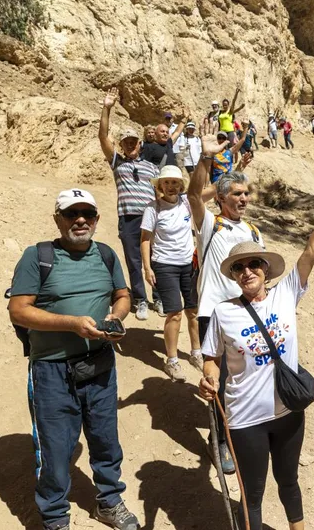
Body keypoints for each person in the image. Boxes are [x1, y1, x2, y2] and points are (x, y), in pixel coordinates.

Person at [199, 174, 314, 530]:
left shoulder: (286, 293)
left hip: (288, 410)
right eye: (239, 268)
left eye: (254, 264)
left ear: (265, 269)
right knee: (252, 493)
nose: (248, 271)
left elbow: (311, 251)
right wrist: (210, 377)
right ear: (233, 276)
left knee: (290, 482)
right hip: (245, 416)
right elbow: (211, 358)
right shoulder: (223, 312)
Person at [8, 189, 139, 530]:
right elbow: (18, 310)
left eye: (88, 214)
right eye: (72, 214)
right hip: (51, 369)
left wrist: (116, 318)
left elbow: (122, 295)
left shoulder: (107, 254)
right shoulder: (38, 256)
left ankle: (109, 501)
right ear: (58, 219)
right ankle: (54, 517)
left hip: (100, 365)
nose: (80, 220)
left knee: (106, 439)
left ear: (96, 219)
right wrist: (70, 324)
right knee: (55, 447)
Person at [187, 136, 266, 475]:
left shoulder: (254, 230)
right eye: (236, 194)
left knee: (242, 375)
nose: (243, 199)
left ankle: (241, 431)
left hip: (243, 314)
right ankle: (219, 440)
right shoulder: (210, 224)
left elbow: (261, 273)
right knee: (215, 377)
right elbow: (192, 195)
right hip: (213, 312)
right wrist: (206, 157)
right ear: (220, 198)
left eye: (246, 193)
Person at [99, 87, 161, 320]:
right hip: (128, 219)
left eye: (134, 141)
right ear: (122, 145)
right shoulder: (118, 164)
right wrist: (107, 108)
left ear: (140, 144)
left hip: (151, 217)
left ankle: (159, 297)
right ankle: (141, 300)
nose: (130, 145)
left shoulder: (152, 167)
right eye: (126, 142)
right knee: (134, 260)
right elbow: (103, 137)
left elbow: (161, 193)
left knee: (156, 258)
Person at [141, 166, 200, 382]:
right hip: (165, 265)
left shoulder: (186, 202)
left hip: (188, 264)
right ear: (159, 186)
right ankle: (172, 360)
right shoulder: (153, 208)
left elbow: (212, 190)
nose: (171, 187)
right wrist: (147, 268)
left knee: (193, 310)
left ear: (181, 185)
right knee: (174, 313)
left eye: (175, 182)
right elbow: (145, 239)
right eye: (166, 183)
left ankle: (196, 353)